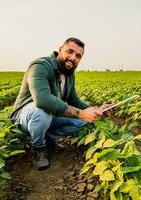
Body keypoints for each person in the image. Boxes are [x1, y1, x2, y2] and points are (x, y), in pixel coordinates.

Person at [10, 37, 112, 170]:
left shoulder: (69, 74)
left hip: (49, 115)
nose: (73, 57)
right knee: (42, 112)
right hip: (26, 115)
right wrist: (80, 113)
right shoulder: (40, 66)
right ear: (60, 50)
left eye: (78, 56)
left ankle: (47, 138)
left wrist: (96, 110)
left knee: (85, 121)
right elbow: (42, 100)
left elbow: (74, 100)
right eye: (70, 52)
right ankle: (38, 148)